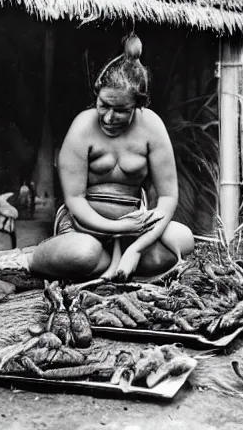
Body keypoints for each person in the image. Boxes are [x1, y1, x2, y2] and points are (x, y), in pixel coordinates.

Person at [29, 34, 194, 282]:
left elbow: (168, 197)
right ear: (96, 95)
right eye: (104, 105)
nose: (108, 118)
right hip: (82, 229)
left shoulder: (152, 126)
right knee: (84, 253)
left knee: (182, 238)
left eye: (121, 111)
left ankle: (119, 263)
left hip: (134, 231)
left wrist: (137, 247)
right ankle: (48, 259)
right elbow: (75, 199)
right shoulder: (82, 127)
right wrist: (118, 228)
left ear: (139, 106)